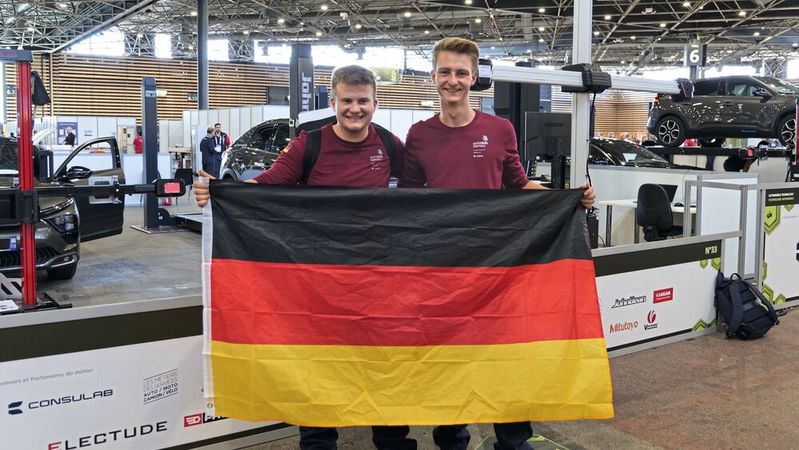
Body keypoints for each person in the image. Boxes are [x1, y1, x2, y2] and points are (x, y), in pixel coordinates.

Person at [194, 65, 413, 450]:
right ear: (333, 102)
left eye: (363, 101)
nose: (355, 108)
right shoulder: (308, 145)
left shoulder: (391, 146)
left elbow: (425, 199)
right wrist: (219, 192)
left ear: (376, 103)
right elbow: (263, 188)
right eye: (347, 100)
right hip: (319, 284)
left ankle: (393, 443)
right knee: (319, 369)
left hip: (378, 285)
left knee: (384, 369)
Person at [399, 37, 595, 450]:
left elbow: (517, 184)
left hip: (498, 266)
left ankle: (513, 439)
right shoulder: (418, 135)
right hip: (444, 269)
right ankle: (452, 437)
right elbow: (410, 202)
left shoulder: (499, 129)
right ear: (434, 77)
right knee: (449, 360)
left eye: (461, 73)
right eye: (446, 72)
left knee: (508, 355)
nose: (453, 81)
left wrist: (566, 197)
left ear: (475, 78)